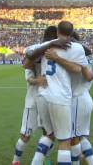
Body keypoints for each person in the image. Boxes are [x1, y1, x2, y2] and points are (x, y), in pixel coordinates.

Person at [27, 21, 88, 165]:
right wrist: (58, 57)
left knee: (49, 135)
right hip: (59, 97)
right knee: (65, 141)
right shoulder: (76, 47)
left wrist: (48, 46)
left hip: (42, 96)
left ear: (58, 31)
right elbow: (78, 69)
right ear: (72, 32)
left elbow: (28, 56)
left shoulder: (46, 45)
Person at [45, 31, 93, 165]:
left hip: (77, 100)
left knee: (72, 138)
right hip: (84, 98)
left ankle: (82, 161)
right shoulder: (82, 59)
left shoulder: (74, 61)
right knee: (79, 137)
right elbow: (88, 74)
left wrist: (57, 57)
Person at [12, 26, 60, 165]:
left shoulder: (52, 54)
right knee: (25, 135)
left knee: (49, 134)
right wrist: (37, 80)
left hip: (47, 99)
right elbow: (28, 77)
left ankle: (45, 159)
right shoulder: (33, 52)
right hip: (32, 101)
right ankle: (16, 161)